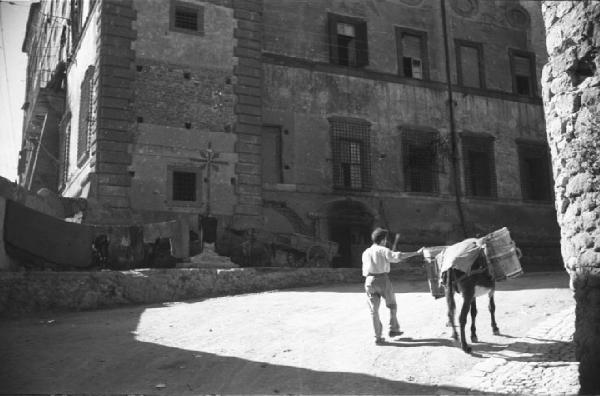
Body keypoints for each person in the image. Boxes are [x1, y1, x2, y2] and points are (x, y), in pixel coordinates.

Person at [362, 227, 422, 345]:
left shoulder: (366, 252)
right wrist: (416, 253)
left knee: (374, 311)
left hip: (368, 281)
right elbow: (397, 256)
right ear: (383, 240)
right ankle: (393, 328)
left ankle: (377, 337)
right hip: (382, 280)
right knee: (392, 305)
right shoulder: (383, 250)